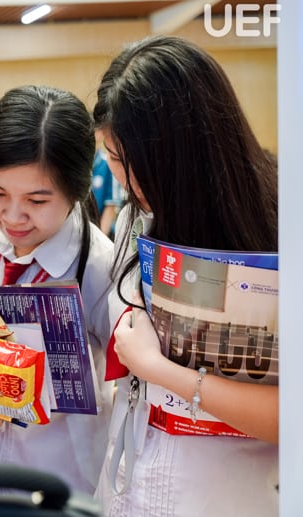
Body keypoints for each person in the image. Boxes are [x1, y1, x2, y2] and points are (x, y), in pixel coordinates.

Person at [92, 35, 278, 515]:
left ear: (185, 154)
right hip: (132, 480)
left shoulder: (274, 231)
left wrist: (158, 369)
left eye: (130, 161)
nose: (123, 180)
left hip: (228, 493)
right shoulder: (136, 220)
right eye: (111, 157)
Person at [0, 85, 115, 496]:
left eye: (37, 201)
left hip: (59, 478)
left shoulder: (100, 266)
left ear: (77, 191)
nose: (12, 216)